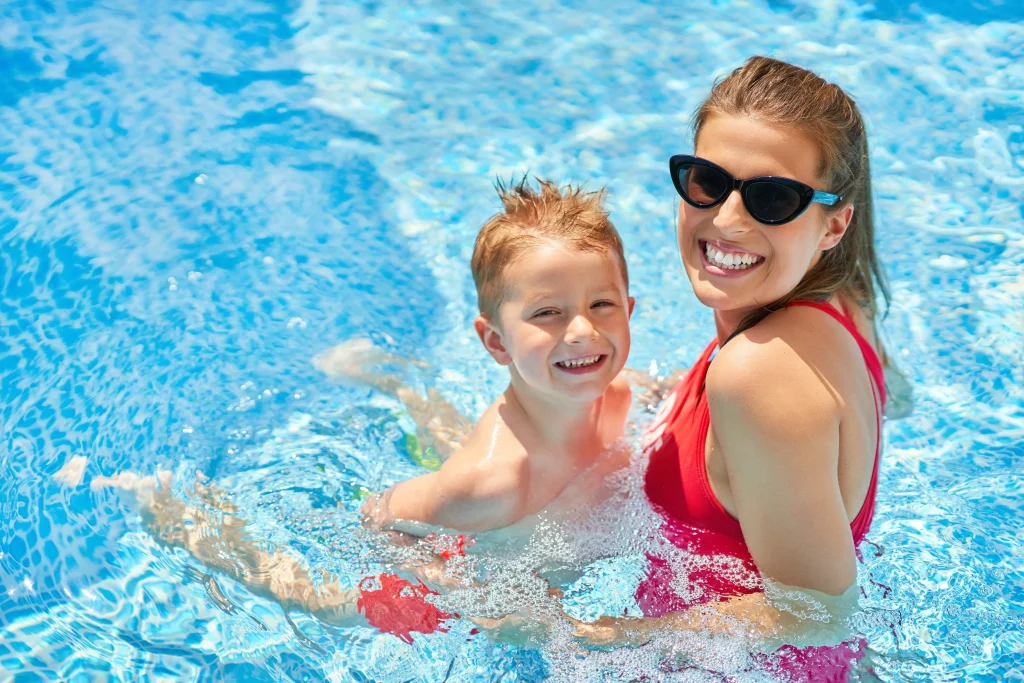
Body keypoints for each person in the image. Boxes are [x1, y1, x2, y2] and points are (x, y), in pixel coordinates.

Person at [85, 178, 637, 643]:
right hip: (448, 553)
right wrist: (433, 574)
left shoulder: (616, 387)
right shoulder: (490, 483)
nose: (583, 330)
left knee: (461, 445)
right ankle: (173, 512)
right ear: (495, 344)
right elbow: (377, 515)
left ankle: (396, 381)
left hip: (508, 466)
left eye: (602, 304)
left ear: (629, 310)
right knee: (324, 602)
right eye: (548, 312)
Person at [570, 56, 897, 680]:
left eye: (773, 198)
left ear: (834, 224)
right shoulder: (844, 300)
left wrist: (592, 634)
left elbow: (817, 616)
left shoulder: (756, 375)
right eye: (706, 180)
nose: (726, 219)